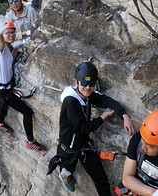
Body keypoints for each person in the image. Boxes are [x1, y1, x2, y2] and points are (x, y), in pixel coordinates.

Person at [57, 61, 135, 195]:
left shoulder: (87, 94)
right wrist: (102, 117)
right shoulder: (71, 102)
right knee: (67, 169)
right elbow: (83, 128)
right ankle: (65, 176)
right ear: (77, 82)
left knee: (102, 180)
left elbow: (105, 100)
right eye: (84, 84)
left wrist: (124, 115)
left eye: (92, 84)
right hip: (69, 148)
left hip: (83, 145)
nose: (88, 88)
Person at [0, 15, 46, 151]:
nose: (10, 35)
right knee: (27, 112)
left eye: (12, 32)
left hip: (3, 86)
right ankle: (30, 141)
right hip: (3, 89)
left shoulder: (9, 49)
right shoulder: (0, 48)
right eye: (7, 33)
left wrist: (19, 46)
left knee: (2, 102)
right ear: (1, 35)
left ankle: (0, 123)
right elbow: (1, 44)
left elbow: (11, 58)